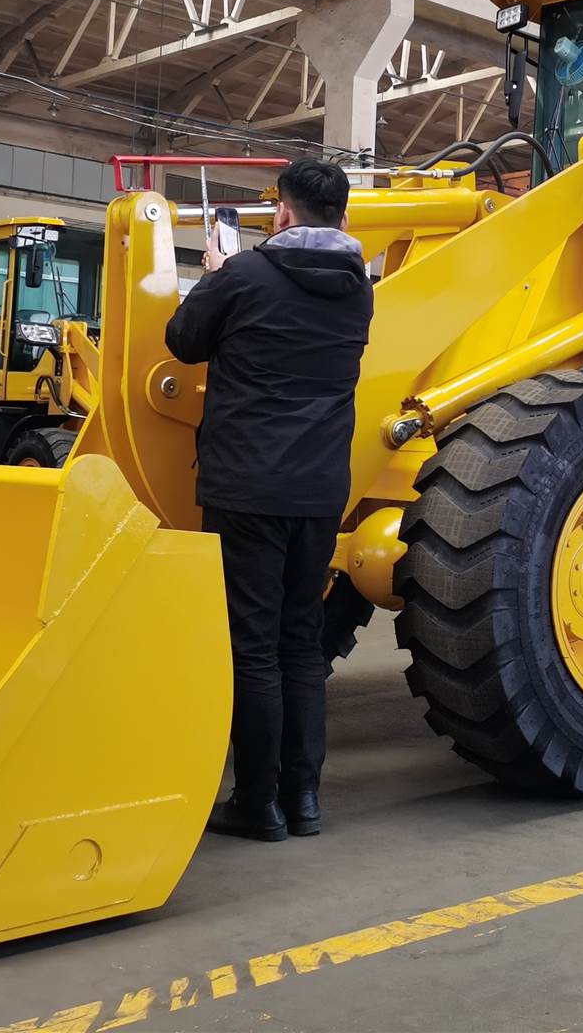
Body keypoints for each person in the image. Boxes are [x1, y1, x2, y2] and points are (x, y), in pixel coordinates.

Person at [164, 158, 373, 842]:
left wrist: (214, 275)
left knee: (252, 648)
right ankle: (304, 800)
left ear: (281, 213)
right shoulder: (357, 290)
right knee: (299, 644)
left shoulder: (245, 277)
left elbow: (183, 341)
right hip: (318, 493)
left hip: (247, 486)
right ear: (344, 219)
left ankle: (257, 804)